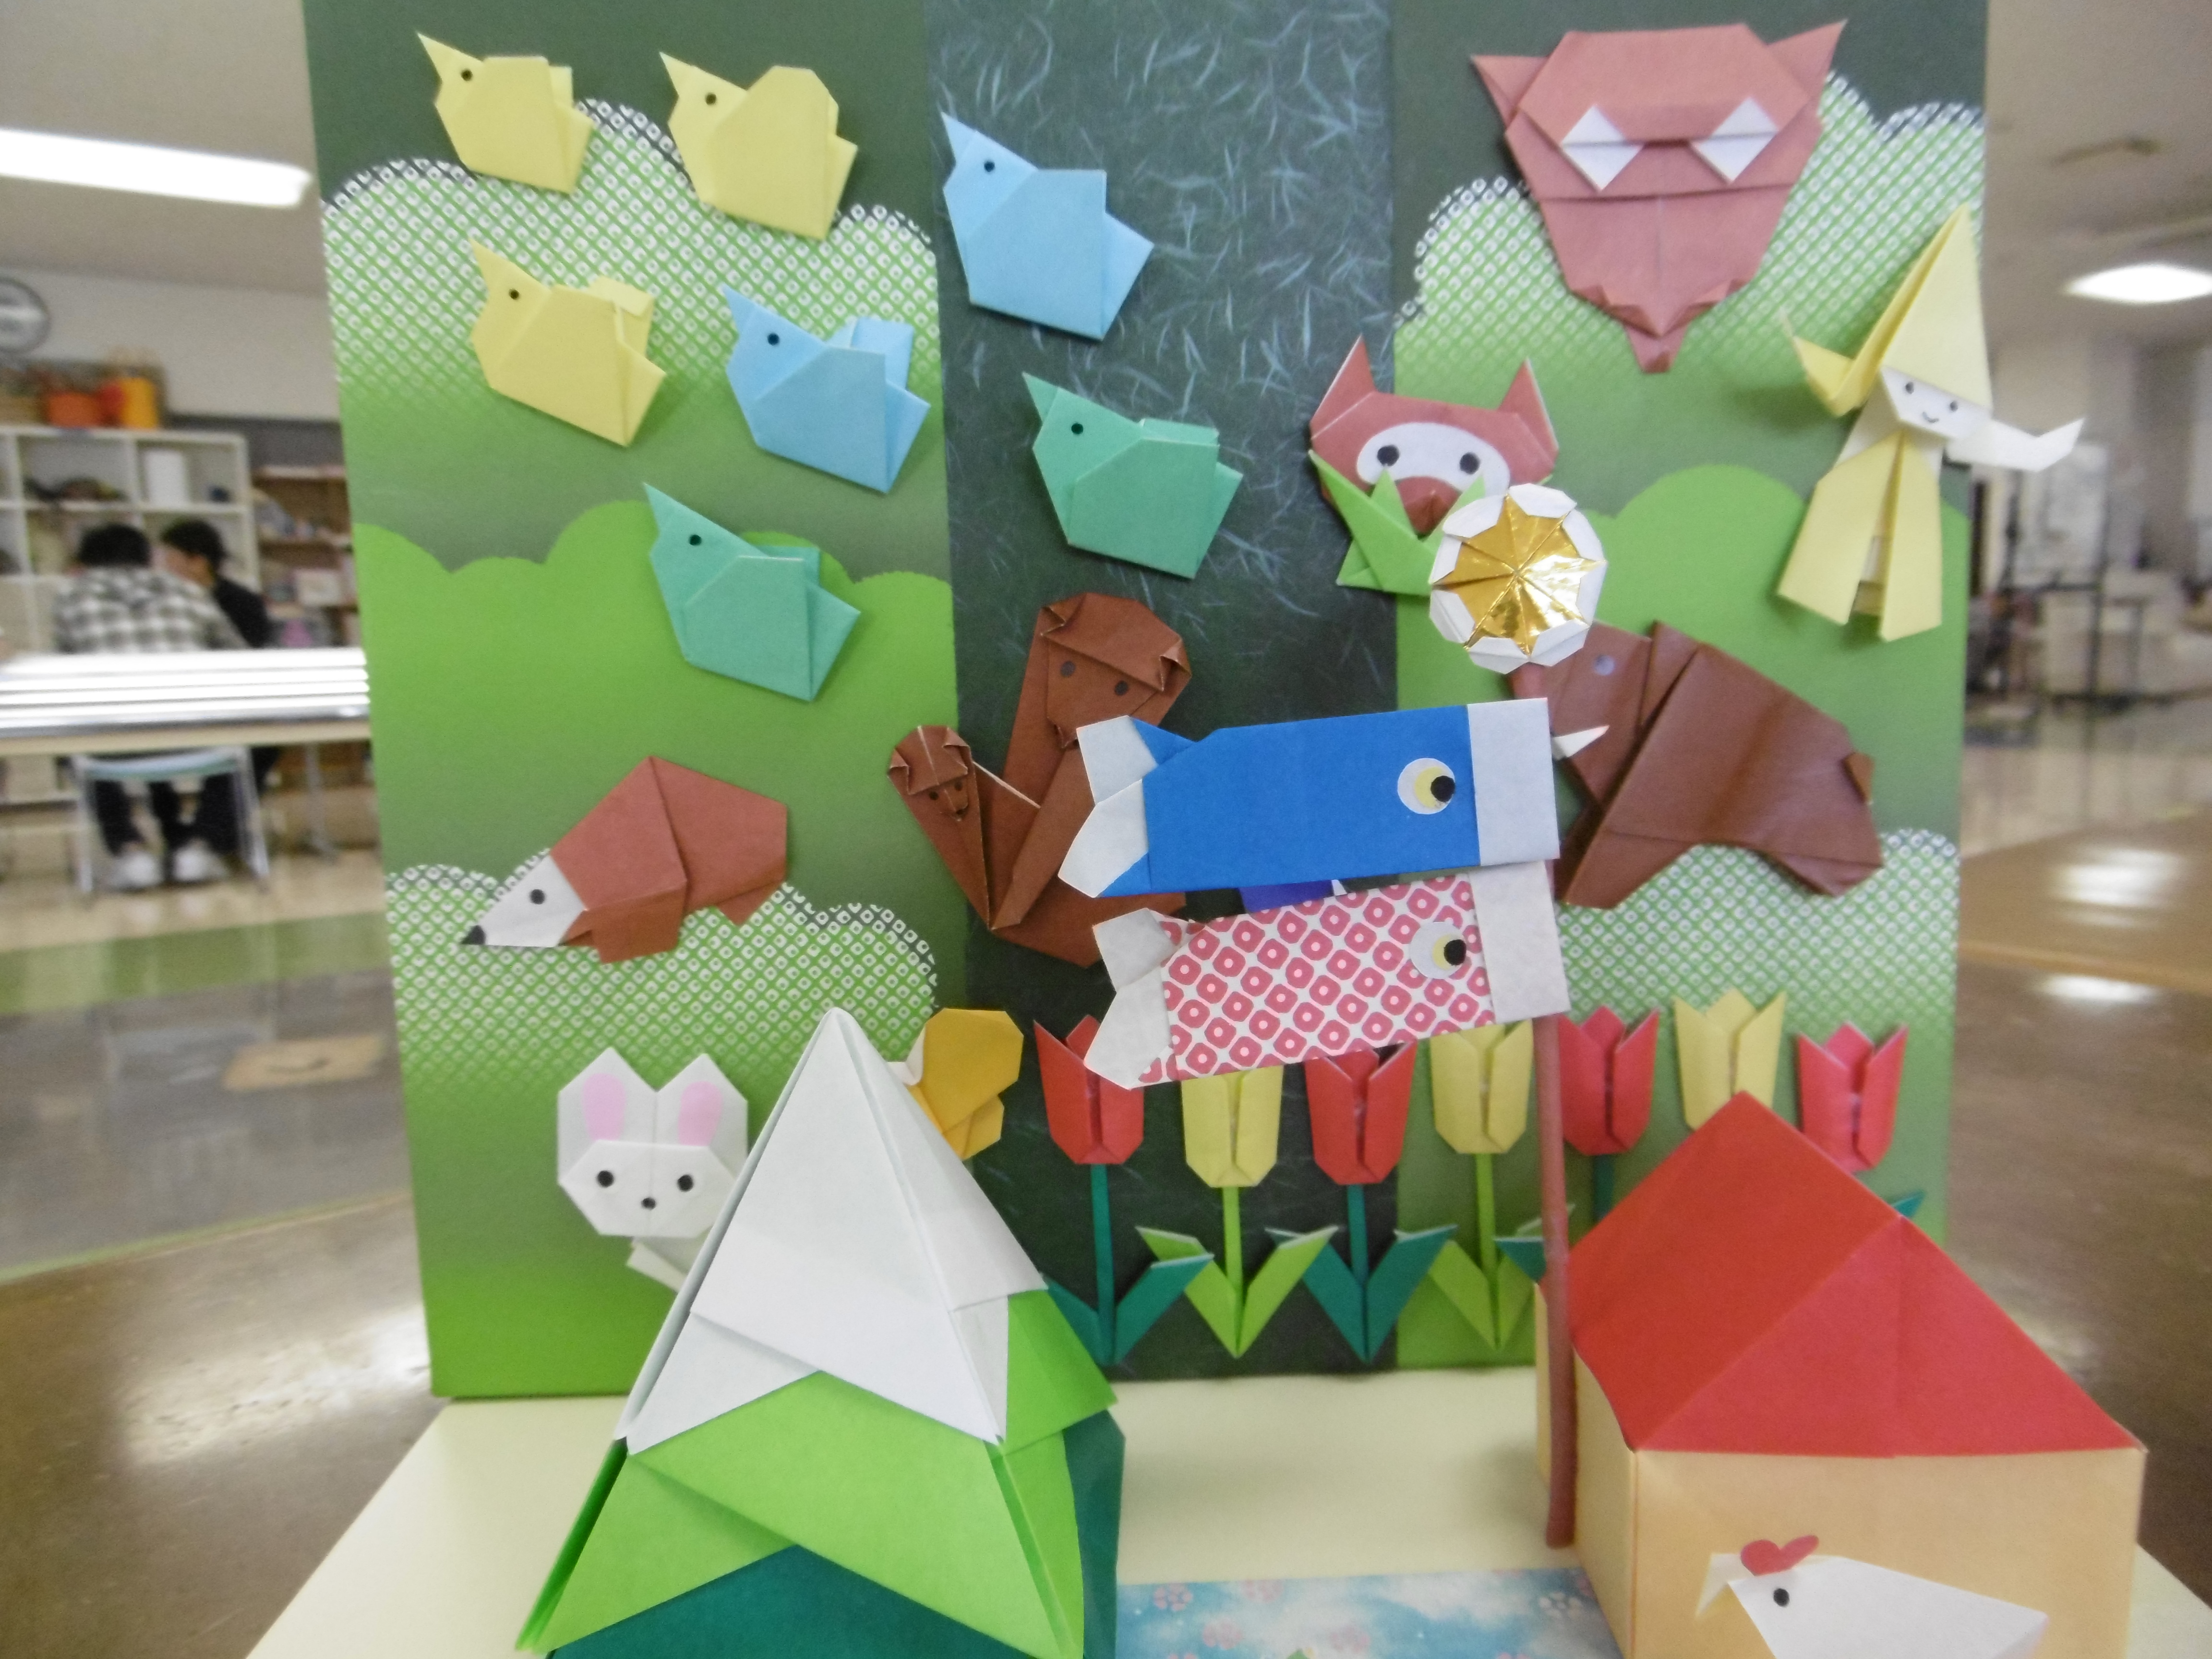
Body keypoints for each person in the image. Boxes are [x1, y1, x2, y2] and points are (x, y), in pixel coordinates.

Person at [52, 522, 246, 890]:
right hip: (196, 738)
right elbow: (238, 657)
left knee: (69, 744)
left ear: (86, 562)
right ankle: (199, 847)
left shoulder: (71, 597)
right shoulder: (188, 592)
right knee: (248, 740)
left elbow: (63, 671)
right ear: (147, 558)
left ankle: (130, 851)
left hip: (112, 744)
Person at [158, 518, 274, 648]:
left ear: (198, 562)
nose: (165, 565)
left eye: (171, 557)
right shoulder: (165, 600)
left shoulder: (244, 603)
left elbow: (253, 651)